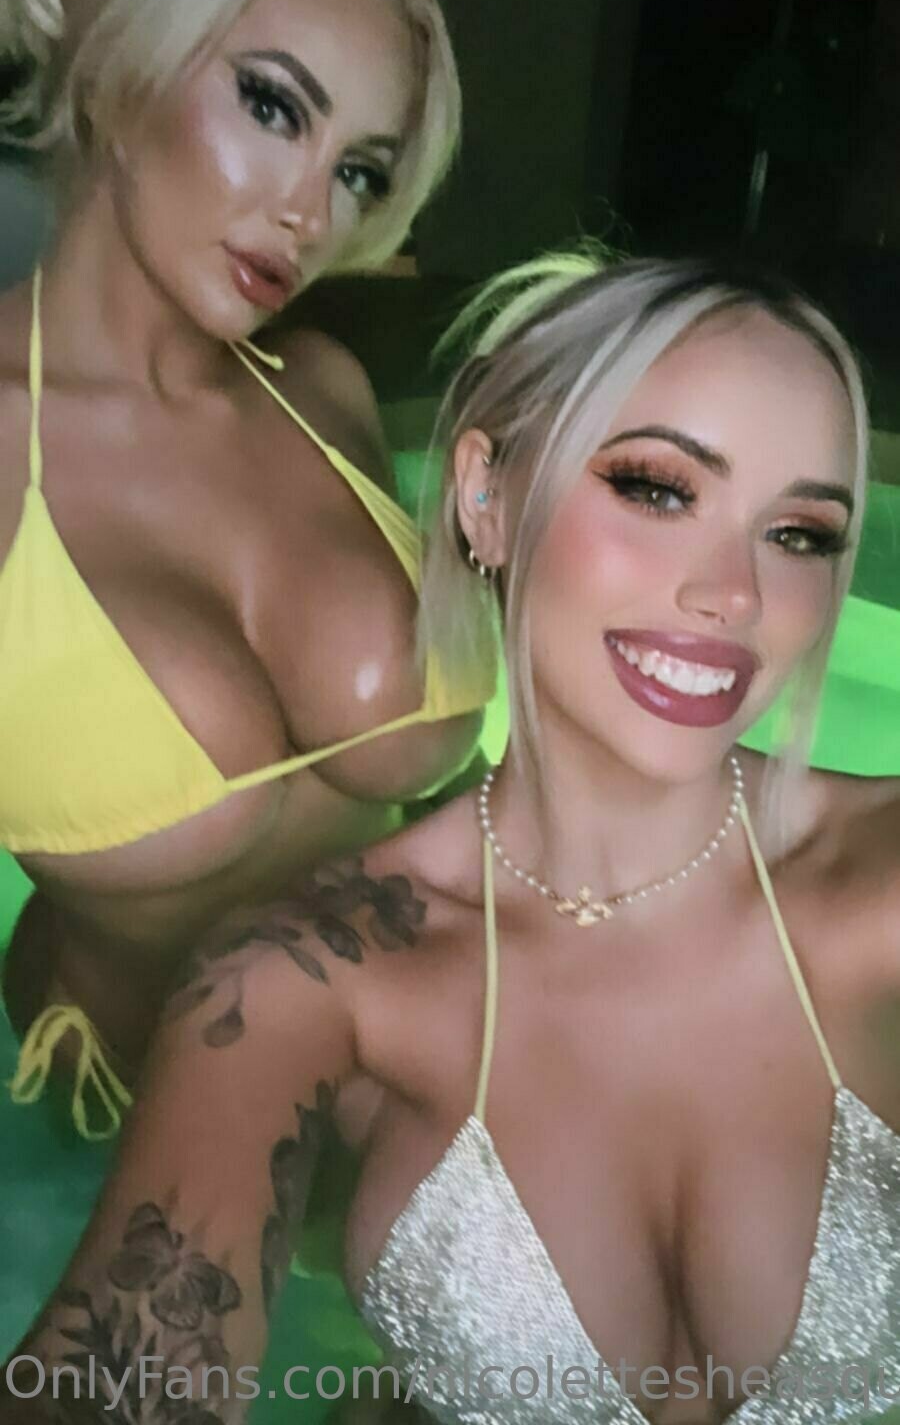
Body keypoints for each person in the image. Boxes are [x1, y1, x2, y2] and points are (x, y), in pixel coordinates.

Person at [4, 252, 898, 1425]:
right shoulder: (309, 979)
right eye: (658, 489)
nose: (734, 592)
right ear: (488, 496)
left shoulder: (877, 884)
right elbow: (115, 1382)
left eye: (799, 533)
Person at [0, 0, 492, 1138]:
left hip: (421, 1079)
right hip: (117, 1133)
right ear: (123, 66)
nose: (309, 214)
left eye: (359, 169)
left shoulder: (325, 391)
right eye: (274, 107)